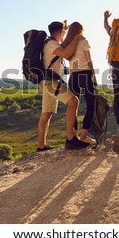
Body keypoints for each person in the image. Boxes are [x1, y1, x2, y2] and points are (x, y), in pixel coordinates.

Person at [37, 20, 93, 151]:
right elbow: (66, 53)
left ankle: (41, 146)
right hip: (51, 82)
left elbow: (63, 49)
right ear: (60, 32)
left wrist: (65, 30)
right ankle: (71, 139)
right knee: (73, 101)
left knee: (46, 114)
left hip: (46, 82)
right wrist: (77, 38)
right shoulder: (51, 44)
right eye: (63, 32)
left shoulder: (50, 43)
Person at [61, 22, 98, 144]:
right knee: (91, 105)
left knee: (73, 106)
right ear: (80, 30)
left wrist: (64, 31)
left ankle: (75, 135)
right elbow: (89, 60)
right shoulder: (83, 41)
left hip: (73, 76)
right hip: (85, 74)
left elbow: (62, 44)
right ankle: (84, 135)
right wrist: (94, 76)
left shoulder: (67, 44)